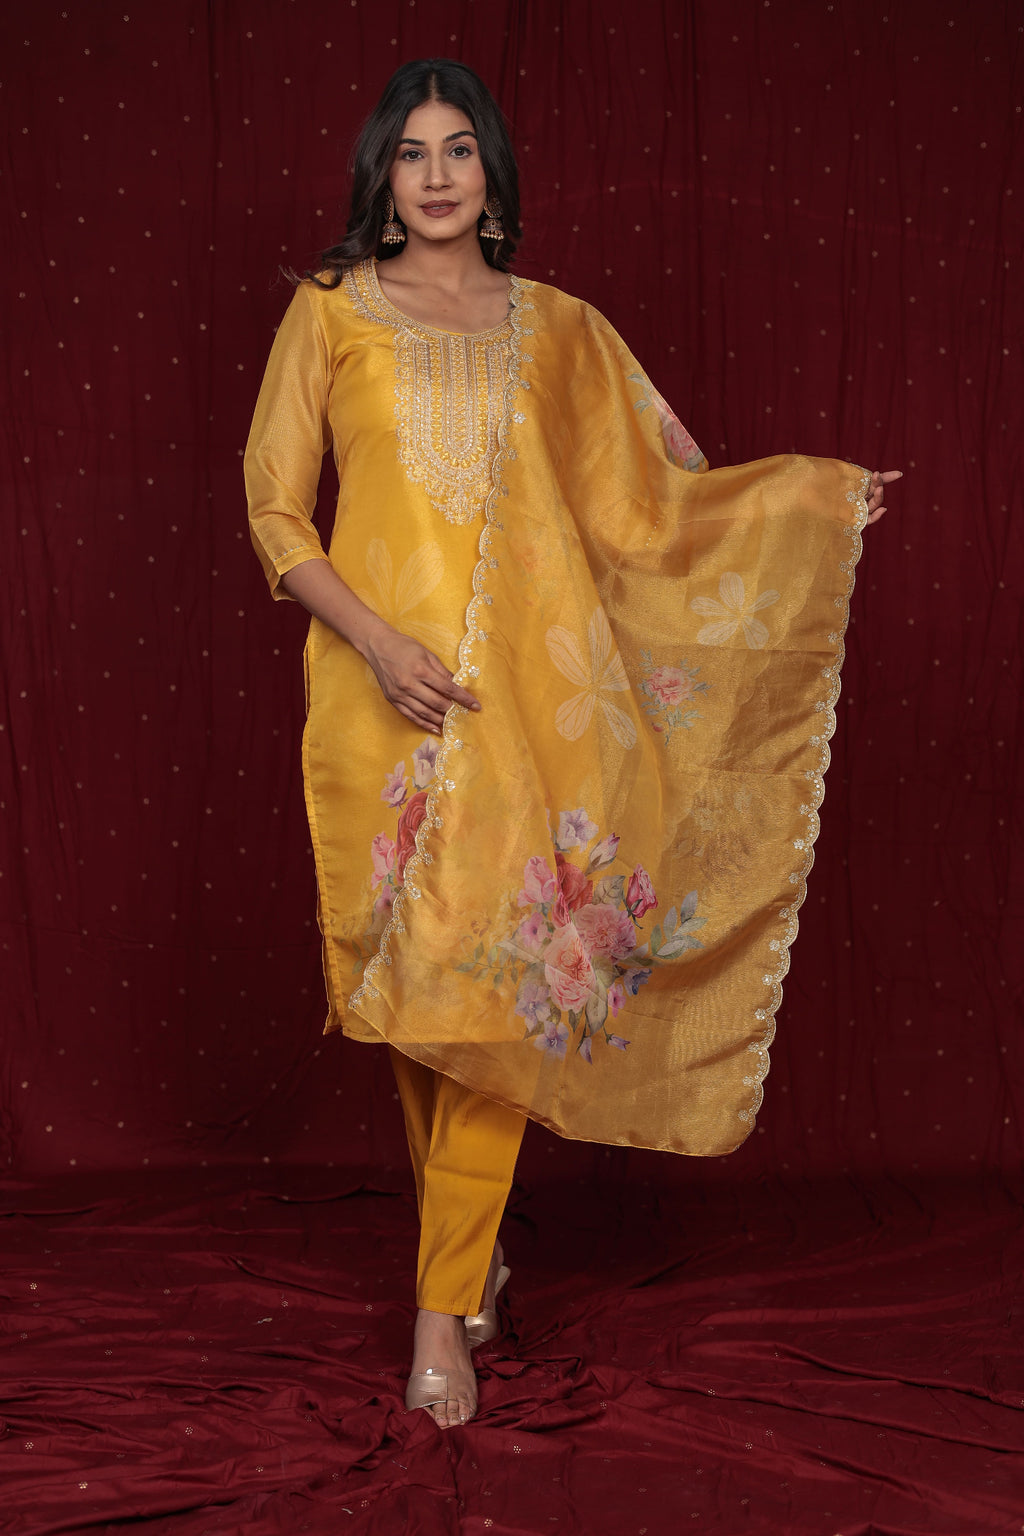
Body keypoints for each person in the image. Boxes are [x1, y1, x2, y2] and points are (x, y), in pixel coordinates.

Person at [244, 57, 899, 1431]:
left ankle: (440, 1314)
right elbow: (274, 513)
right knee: (415, 997)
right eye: (411, 152)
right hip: (375, 698)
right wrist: (379, 642)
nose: (436, 175)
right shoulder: (331, 312)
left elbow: (659, 501)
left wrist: (806, 505)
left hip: (525, 711)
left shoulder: (562, 330)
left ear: (492, 174)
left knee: (496, 989)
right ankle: (472, 1250)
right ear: (382, 177)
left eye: (459, 150)